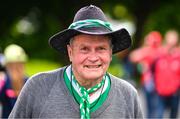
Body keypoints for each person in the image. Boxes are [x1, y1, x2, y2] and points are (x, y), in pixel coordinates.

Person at [9, 5, 143, 118]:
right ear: (70, 52)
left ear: (110, 53)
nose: (93, 57)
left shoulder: (128, 95)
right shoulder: (38, 87)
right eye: (84, 49)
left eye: (101, 49)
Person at [130, 31, 163, 118]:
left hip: (155, 83)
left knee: (154, 107)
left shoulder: (152, 51)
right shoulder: (157, 51)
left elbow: (133, 56)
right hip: (149, 82)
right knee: (153, 107)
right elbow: (133, 57)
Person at [0, 44, 28, 118]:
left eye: (19, 65)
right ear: (6, 67)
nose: (16, 69)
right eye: (12, 66)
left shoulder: (31, 83)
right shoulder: (4, 84)